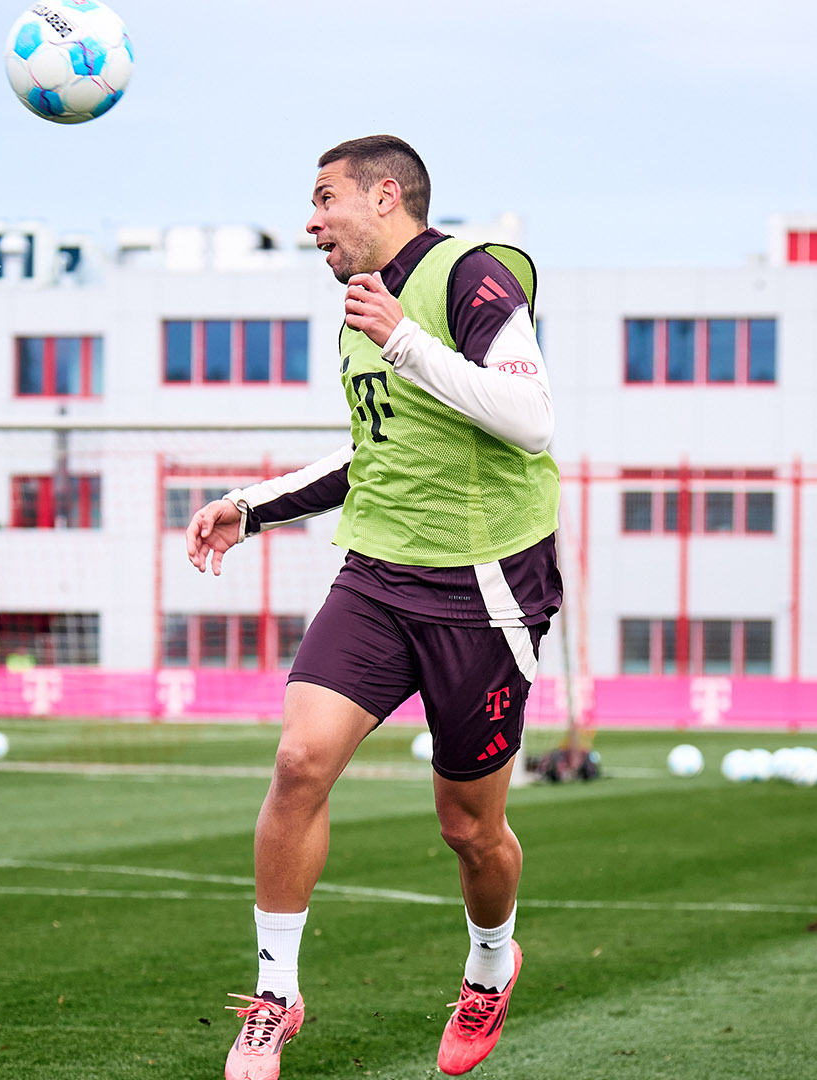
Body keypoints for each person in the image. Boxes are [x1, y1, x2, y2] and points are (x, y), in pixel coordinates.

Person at [187, 135, 560, 1079]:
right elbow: (376, 455)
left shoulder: (472, 278)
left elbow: (531, 419)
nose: (309, 222)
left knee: (470, 830)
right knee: (298, 761)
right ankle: (275, 996)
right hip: (377, 578)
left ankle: (488, 964)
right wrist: (251, 505)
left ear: (384, 196)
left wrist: (403, 334)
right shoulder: (358, 312)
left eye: (324, 200)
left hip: (483, 590)